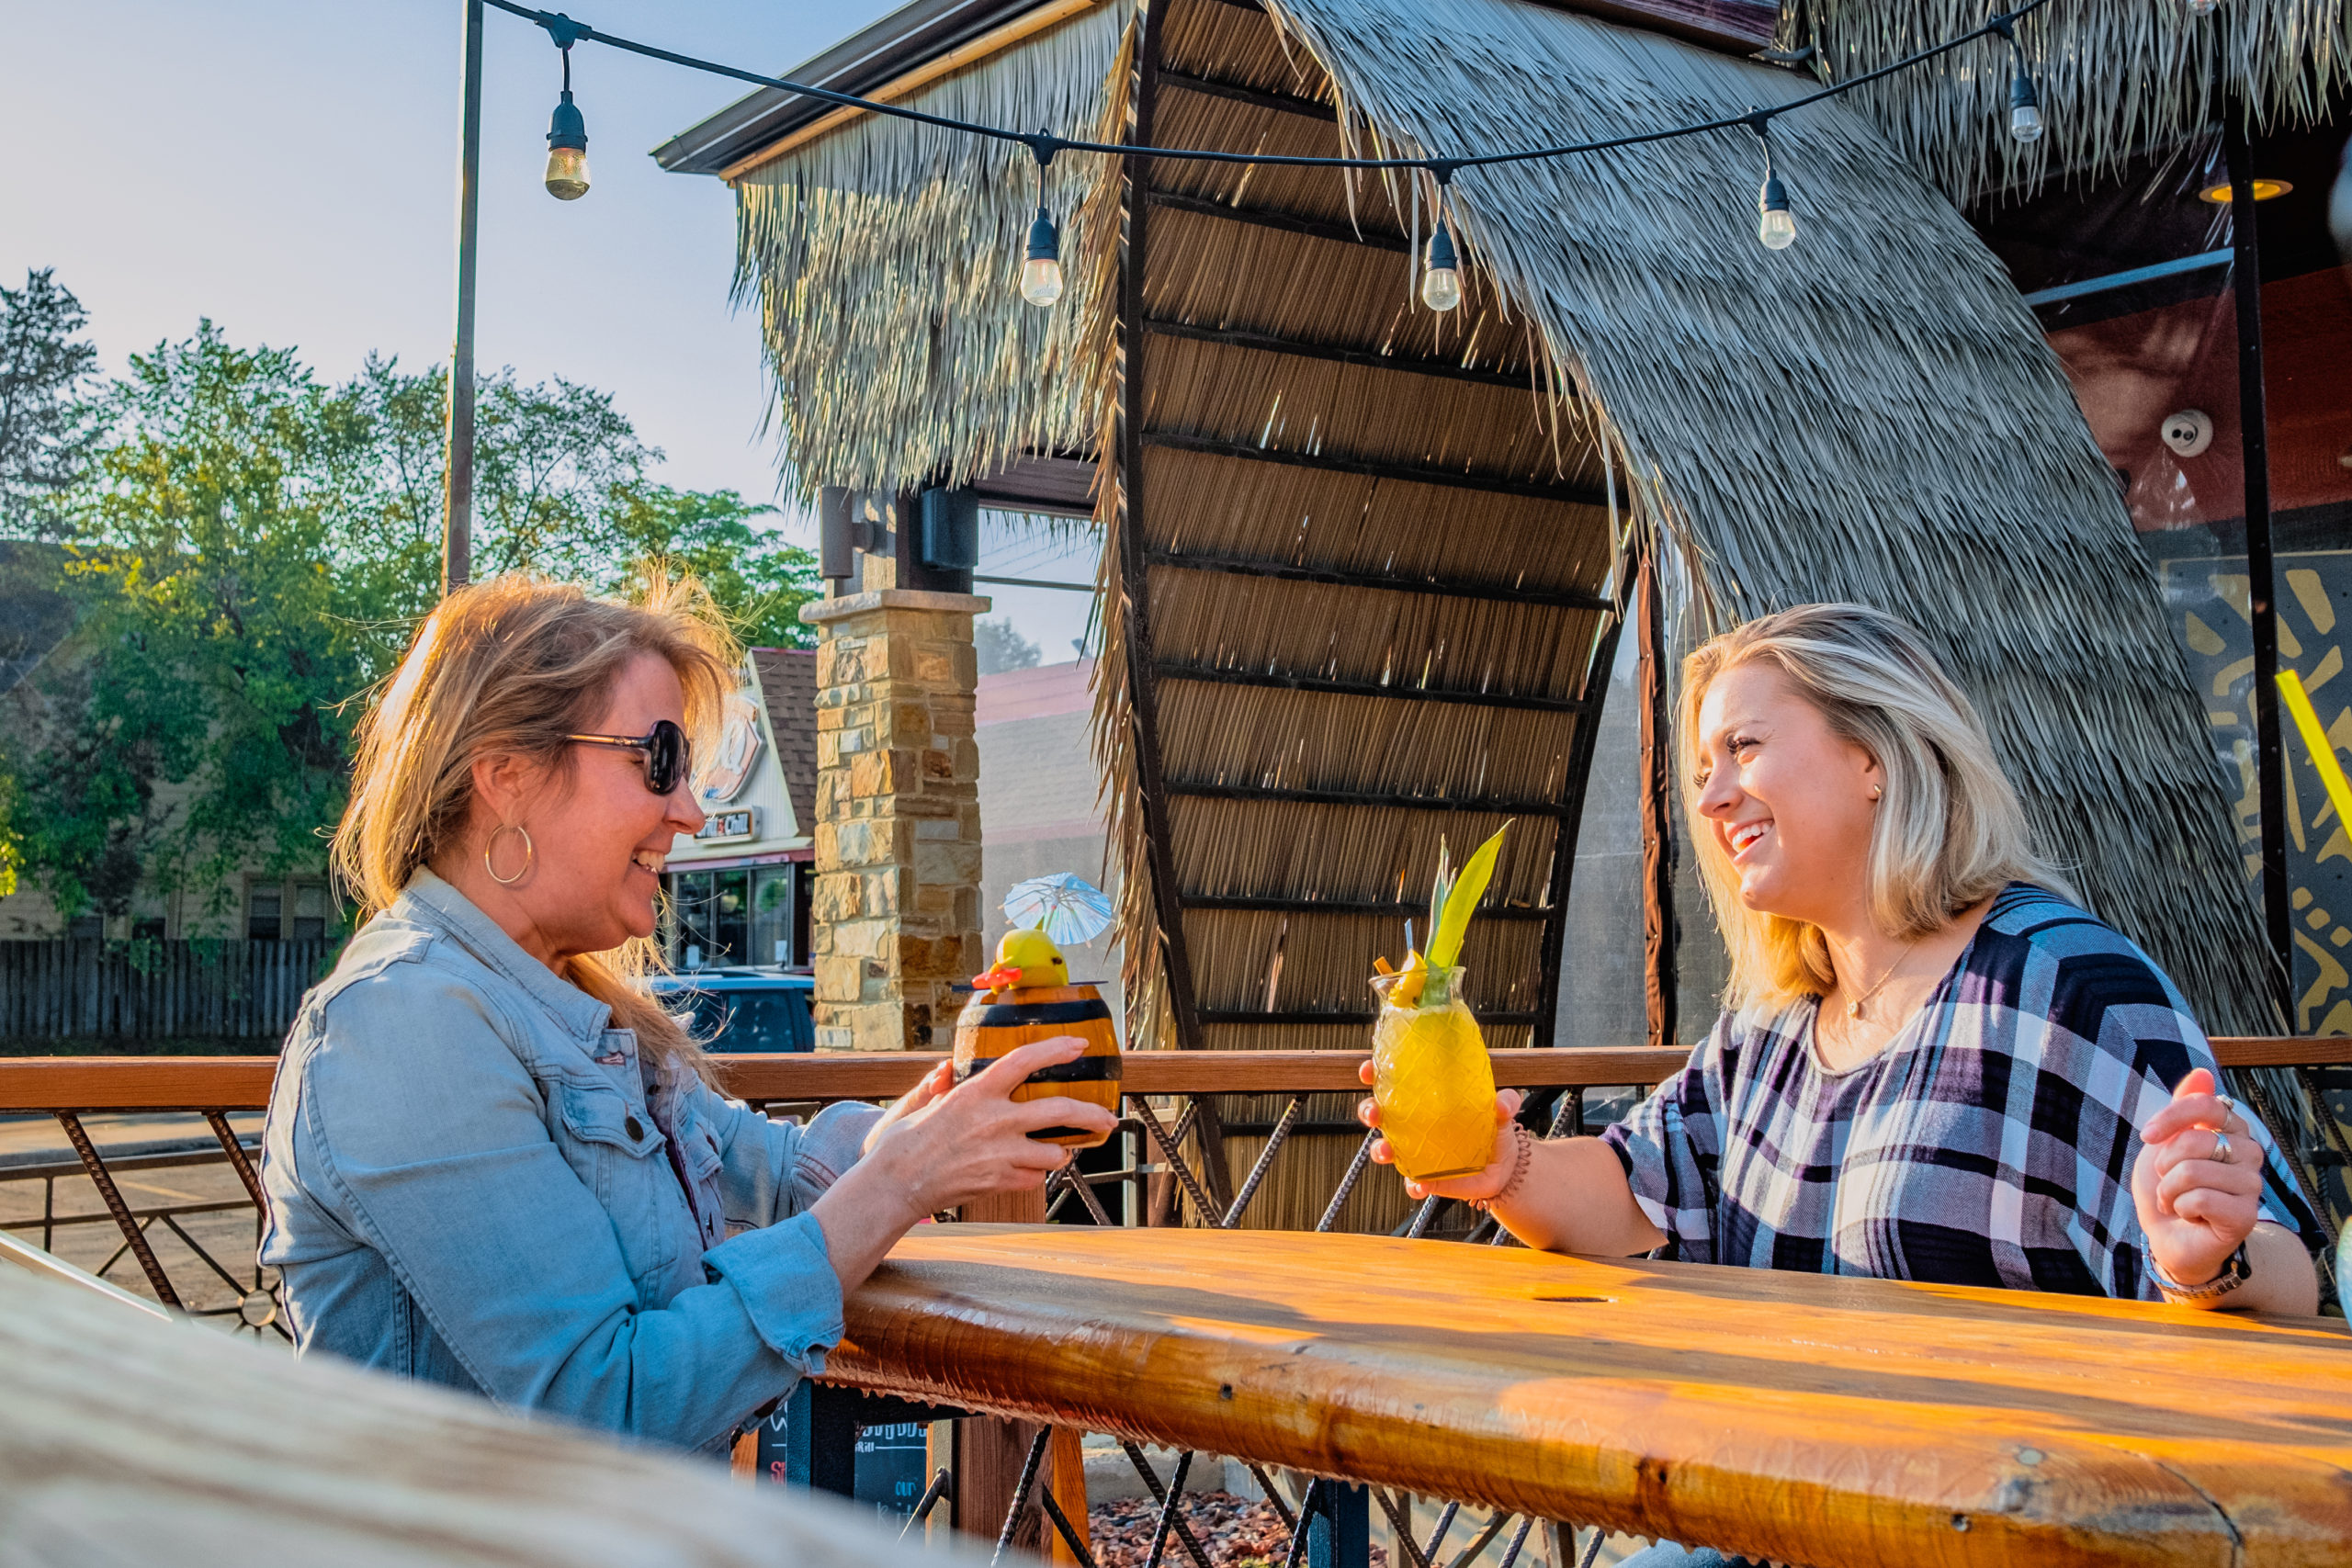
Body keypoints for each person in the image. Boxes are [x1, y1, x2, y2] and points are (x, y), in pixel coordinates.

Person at [1357, 602, 2324, 1566]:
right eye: (1702, 769)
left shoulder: (2061, 985)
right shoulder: (1774, 1026)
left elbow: (2291, 1289)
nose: (1710, 798)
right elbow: (1635, 1193)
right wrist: (1500, 1164)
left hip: (2012, 1533)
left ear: (1874, 757)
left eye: (1743, 747)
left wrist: (2204, 1260)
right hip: (1783, 1516)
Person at [259, 576, 1114, 1452]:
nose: (691, 811)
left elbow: (773, 1173)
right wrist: (897, 1181)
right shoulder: (403, 1027)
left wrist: (938, 1123)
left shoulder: (569, 1013)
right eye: (658, 761)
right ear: (505, 775)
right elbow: (610, 1404)